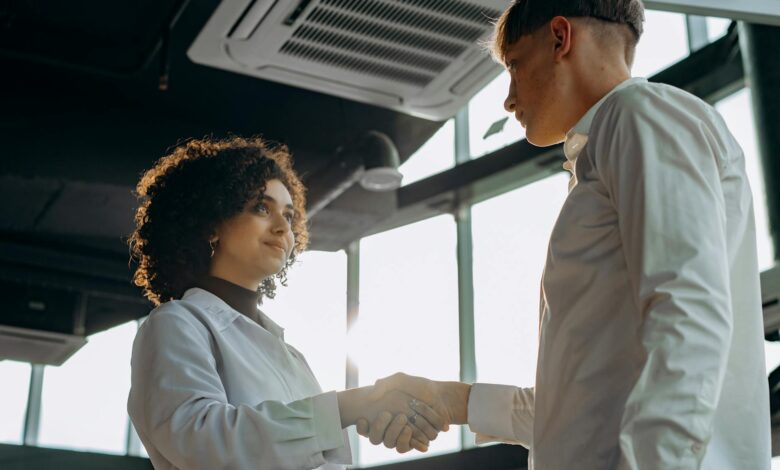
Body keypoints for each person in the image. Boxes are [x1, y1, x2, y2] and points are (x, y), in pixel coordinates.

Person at [360, 1, 772, 468]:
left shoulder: (640, 115)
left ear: (560, 38)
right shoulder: (616, 139)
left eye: (514, 65)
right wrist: (450, 401)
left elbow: (688, 314)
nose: (509, 98)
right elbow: (583, 408)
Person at [126, 136, 445, 470]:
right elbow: (201, 443)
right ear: (211, 223)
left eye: (289, 216)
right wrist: (349, 408)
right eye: (262, 208)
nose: (282, 228)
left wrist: (376, 414)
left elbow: (312, 453)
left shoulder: (292, 357)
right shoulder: (176, 323)